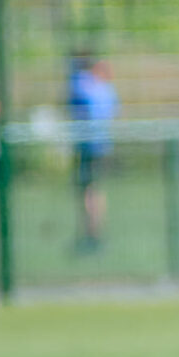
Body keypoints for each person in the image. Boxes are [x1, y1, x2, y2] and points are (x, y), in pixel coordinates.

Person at [67, 54, 117, 252]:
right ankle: (93, 232)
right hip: (99, 146)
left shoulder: (90, 87)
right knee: (93, 190)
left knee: (89, 191)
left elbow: (75, 94)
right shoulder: (107, 89)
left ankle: (92, 233)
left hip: (91, 146)